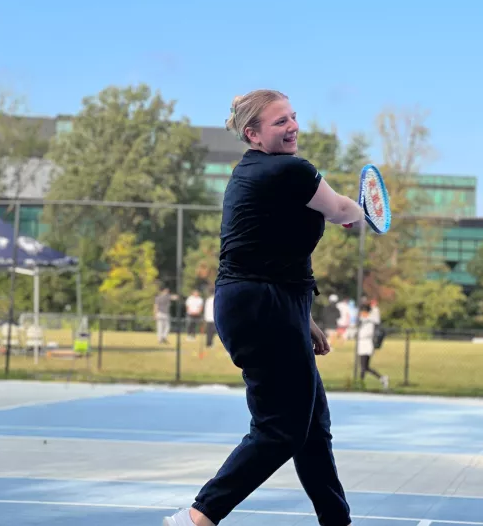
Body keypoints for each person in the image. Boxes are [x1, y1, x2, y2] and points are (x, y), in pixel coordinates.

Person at [164, 89, 365, 526]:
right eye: (280, 122)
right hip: (259, 306)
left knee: (311, 425)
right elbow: (340, 209)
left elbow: (271, 252)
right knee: (280, 427)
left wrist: (302, 318)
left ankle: (337, 521)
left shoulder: (259, 171)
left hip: (269, 303)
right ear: (253, 133)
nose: (292, 126)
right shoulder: (289, 170)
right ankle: (198, 517)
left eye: (293, 117)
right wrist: (360, 214)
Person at [356, 302, 389, 389]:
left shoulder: (370, 321)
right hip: (361, 344)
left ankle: (360, 383)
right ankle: (382, 378)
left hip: (366, 344)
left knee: (363, 366)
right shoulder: (362, 320)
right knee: (366, 367)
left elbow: (367, 332)